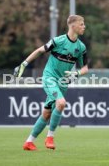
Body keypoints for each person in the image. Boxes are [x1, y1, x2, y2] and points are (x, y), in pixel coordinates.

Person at [13, 15, 88, 151]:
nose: (84, 27)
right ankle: (50, 138)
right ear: (73, 26)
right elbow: (40, 50)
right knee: (61, 103)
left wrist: (76, 73)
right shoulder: (58, 41)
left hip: (63, 82)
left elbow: (85, 68)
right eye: (81, 24)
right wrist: (23, 64)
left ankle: (29, 142)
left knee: (47, 113)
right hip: (50, 78)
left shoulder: (81, 47)